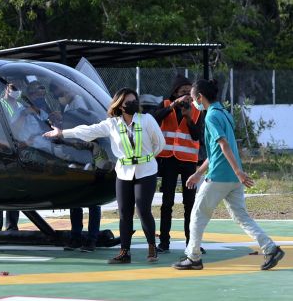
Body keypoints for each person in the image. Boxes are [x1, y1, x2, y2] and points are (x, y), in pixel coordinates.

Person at [173, 79, 285, 271]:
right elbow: (217, 151)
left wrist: (238, 171)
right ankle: (270, 248)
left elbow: (224, 145)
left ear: (200, 97)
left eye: (193, 99)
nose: (193, 103)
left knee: (198, 215)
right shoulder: (224, 113)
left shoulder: (210, 117)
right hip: (231, 178)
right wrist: (199, 173)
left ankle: (193, 257)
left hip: (219, 176)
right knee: (241, 216)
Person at [44, 87, 165, 264]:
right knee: (124, 213)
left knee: (143, 210)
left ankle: (152, 247)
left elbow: (159, 143)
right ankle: (125, 252)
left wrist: (145, 159)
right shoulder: (112, 124)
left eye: (134, 101)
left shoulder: (147, 120)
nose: (132, 104)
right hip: (124, 173)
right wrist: (62, 133)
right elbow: (87, 131)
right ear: (119, 105)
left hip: (146, 171)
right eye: (127, 102)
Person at [151, 75, 203, 253]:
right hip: (169, 160)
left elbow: (197, 136)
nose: (187, 96)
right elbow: (154, 119)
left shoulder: (196, 109)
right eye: (183, 93)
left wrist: (188, 118)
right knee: (167, 203)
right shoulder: (165, 104)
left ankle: (192, 242)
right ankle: (164, 242)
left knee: (190, 203)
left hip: (188, 161)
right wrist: (173, 106)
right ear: (175, 93)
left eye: (190, 92)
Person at [0, 82, 21, 232]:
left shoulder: (20, 106)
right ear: (6, 89)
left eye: (18, 89)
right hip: (1, 149)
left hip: (16, 150)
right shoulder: (0, 104)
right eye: (13, 88)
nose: (16, 91)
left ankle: (12, 226)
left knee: (14, 189)